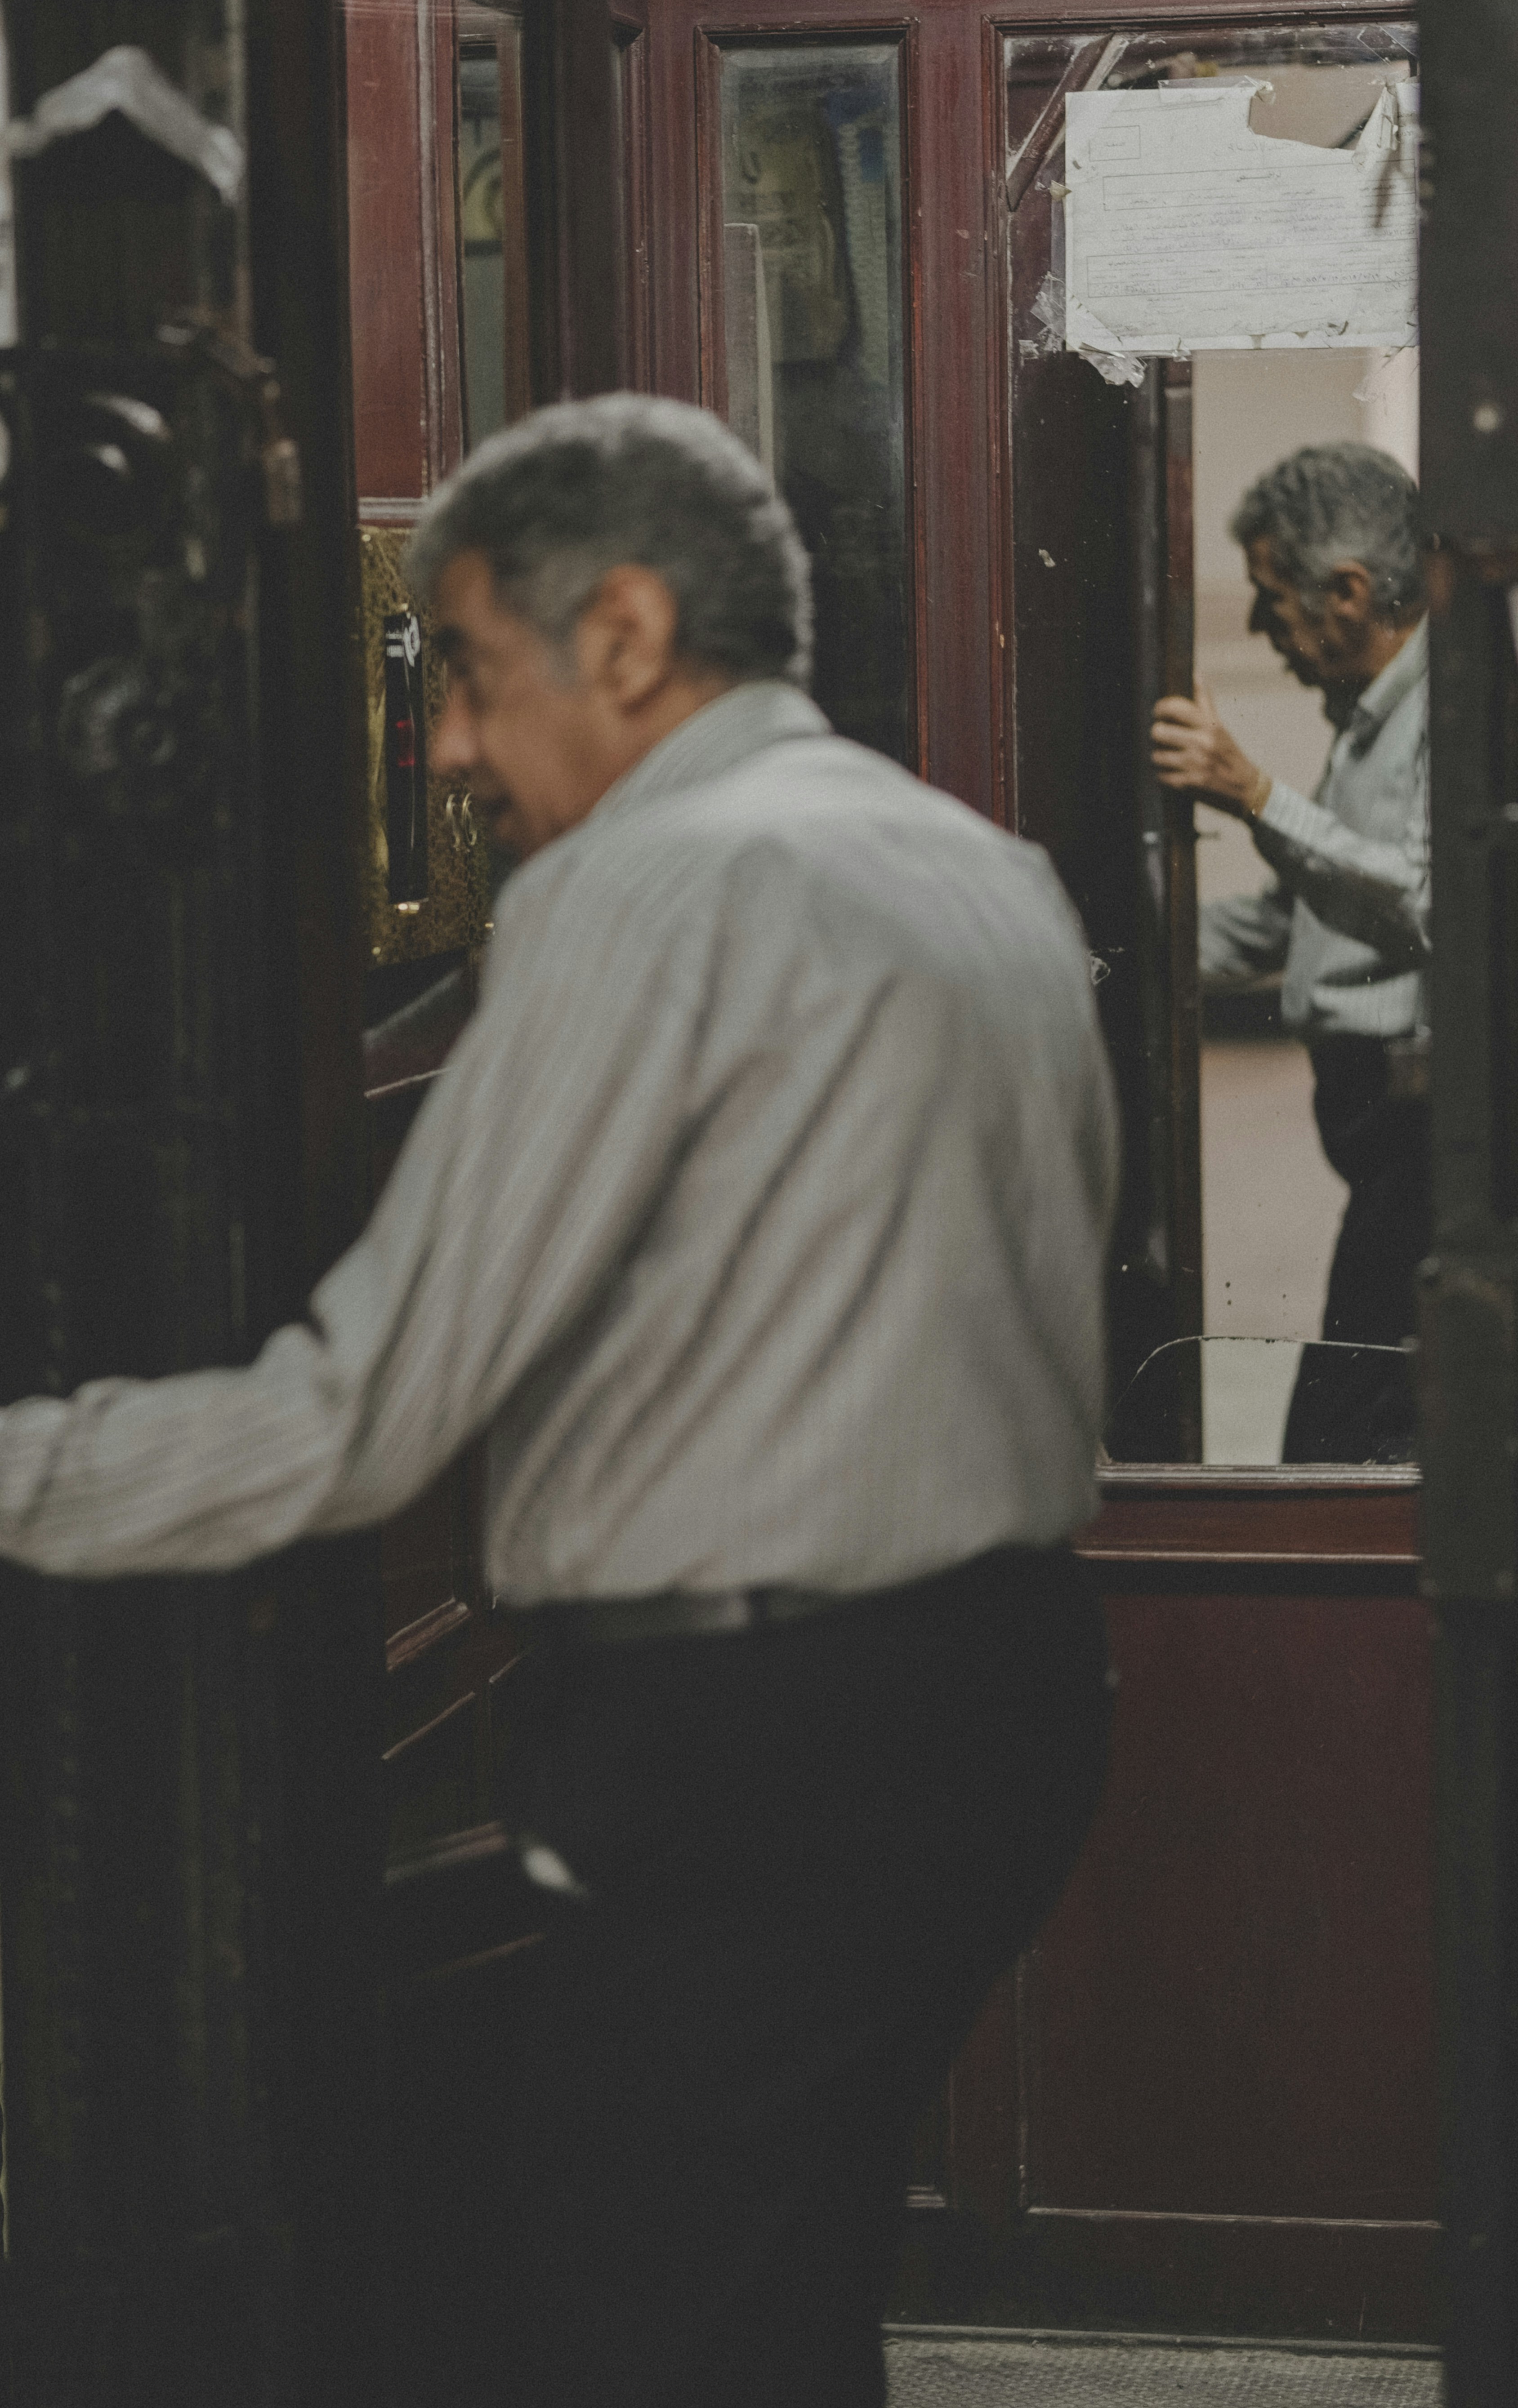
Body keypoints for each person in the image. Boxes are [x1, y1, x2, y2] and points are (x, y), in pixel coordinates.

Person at [0, 395, 1117, 2407]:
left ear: (620, 638)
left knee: (649, 2319)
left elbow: (364, 1419)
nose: (439, 748)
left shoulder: (648, 884)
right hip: (998, 1700)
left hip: (765, 1738)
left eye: (465, 675)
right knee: (771, 2292)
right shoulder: (973, 863)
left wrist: (30, 1475)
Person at [1151, 441, 1429, 1464]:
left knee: (1342, 1439)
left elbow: (1427, 898)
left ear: (1348, 592)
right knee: (1343, 1424)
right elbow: (1291, 916)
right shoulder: (1366, 724)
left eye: (1272, 604)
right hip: (1382, 1138)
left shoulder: (1453, 705)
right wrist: (1110, 941)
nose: (1266, 636)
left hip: (1425, 1138)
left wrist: (1255, 795)